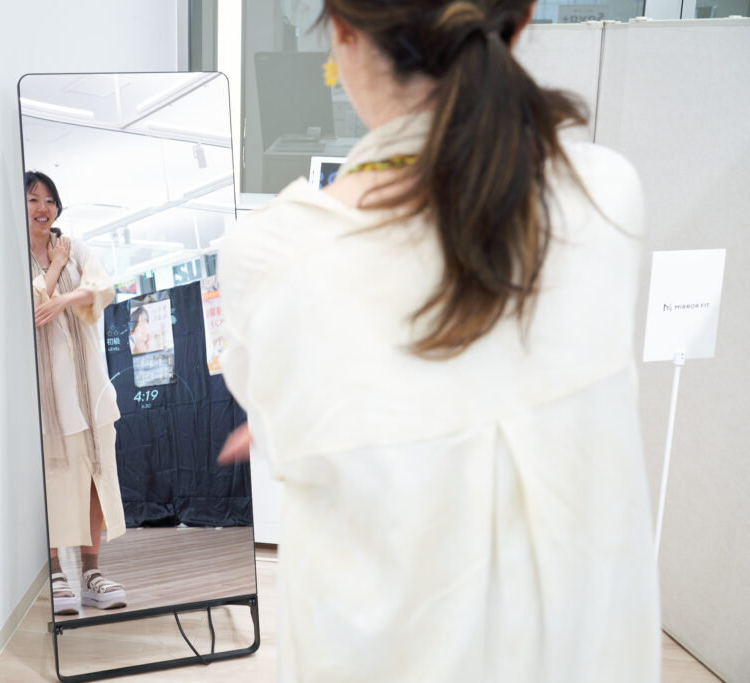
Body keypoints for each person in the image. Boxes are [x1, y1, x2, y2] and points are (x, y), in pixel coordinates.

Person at [217, 1, 660, 680]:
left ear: (343, 30)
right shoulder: (607, 195)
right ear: (521, 19)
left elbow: (276, 397)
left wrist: (292, 418)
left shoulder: (274, 257)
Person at [26, 170, 128, 614]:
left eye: (49, 200)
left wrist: (65, 296)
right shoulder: (20, 259)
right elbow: (32, 309)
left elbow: (103, 288)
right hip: (50, 399)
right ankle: (54, 574)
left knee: (94, 481)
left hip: (92, 392)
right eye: (33, 199)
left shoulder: (75, 247)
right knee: (54, 483)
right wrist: (53, 269)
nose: (43, 208)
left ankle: (90, 573)